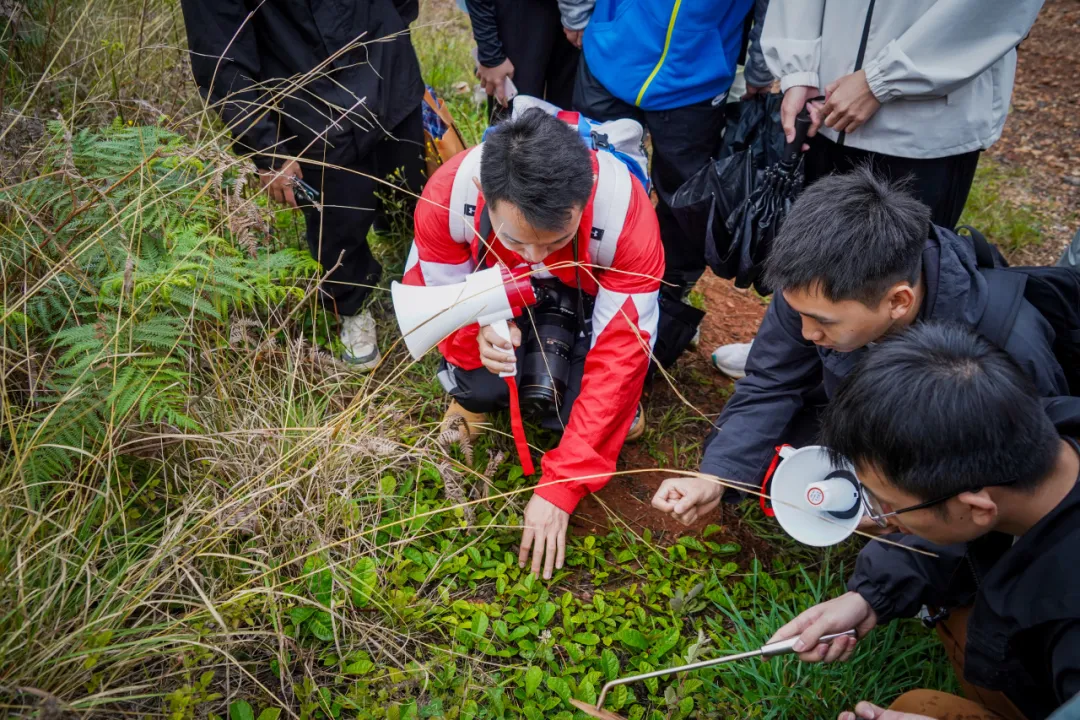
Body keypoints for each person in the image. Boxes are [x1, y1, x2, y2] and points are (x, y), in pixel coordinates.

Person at [652, 167, 1068, 522]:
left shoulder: (1003, 348)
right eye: (798, 314)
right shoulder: (814, 279)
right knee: (780, 475)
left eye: (823, 323)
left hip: (951, 466)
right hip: (860, 412)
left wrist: (904, 508)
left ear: (898, 302)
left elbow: (1027, 486)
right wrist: (716, 476)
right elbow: (772, 380)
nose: (806, 333)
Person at [712, 0, 1045, 378]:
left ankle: (884, 386)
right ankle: (788, 357)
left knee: (897, 272)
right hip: (826, 101)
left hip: (927, 118)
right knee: (810, 253)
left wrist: (882, 79)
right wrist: (798, 69)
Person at [767, 322, 1080, 720]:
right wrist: (869, 598)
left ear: (977, 508)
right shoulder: (1033, 428)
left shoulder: (1067, 617)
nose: (877, 517)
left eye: (887, 506)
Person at [404, 110, 663, 579]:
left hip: (587, 295)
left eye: (556, 239)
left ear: (585, 201)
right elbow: (438, 299)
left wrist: (562, 486)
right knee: (480, 385)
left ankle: (620, 413)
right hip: (494, 287)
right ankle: (471, 401)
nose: (537, 256)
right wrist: (474, 334)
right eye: (518, 239)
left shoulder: (625, 214)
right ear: (485, 196)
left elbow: (622, 352)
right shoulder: (448, 197)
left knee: (573, 409)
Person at [180, 0, 426, 370]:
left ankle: (424, 273)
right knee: (339, 215)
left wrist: (396, 23)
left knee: (411, 183)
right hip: (305, 91)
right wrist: (268, 149)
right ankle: (352, 307)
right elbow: (220, 57)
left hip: (382, 54)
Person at [559, 0, 772, 309]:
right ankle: (575, 281)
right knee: (589, 179)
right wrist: (576, 13)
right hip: (611, 53)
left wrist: (760, 66)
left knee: (685, 199)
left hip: (698, 78)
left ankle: (667, 295)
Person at [465, 0, 579, 119]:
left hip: (580, 13)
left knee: (570, 116)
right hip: (518, 14)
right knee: (514, 116)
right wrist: (491, 54)